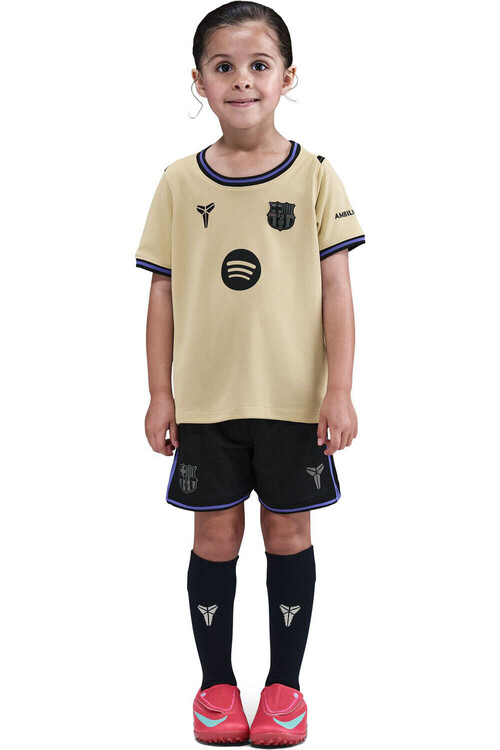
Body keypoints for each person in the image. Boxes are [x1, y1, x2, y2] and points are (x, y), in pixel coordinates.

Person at [134, 2, 366, 745]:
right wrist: (160, 393)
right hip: (206, 404)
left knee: (288, 534)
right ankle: (215, 687)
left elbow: (337, 289)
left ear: (287, 77)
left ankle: (285, 689)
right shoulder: (179, 181)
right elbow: (163, 292)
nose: (242, 80)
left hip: (295, 403)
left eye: (259, 65)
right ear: (198, 80)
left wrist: (339, 390)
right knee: (214, 538)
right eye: (223, 66)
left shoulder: (317, 176)